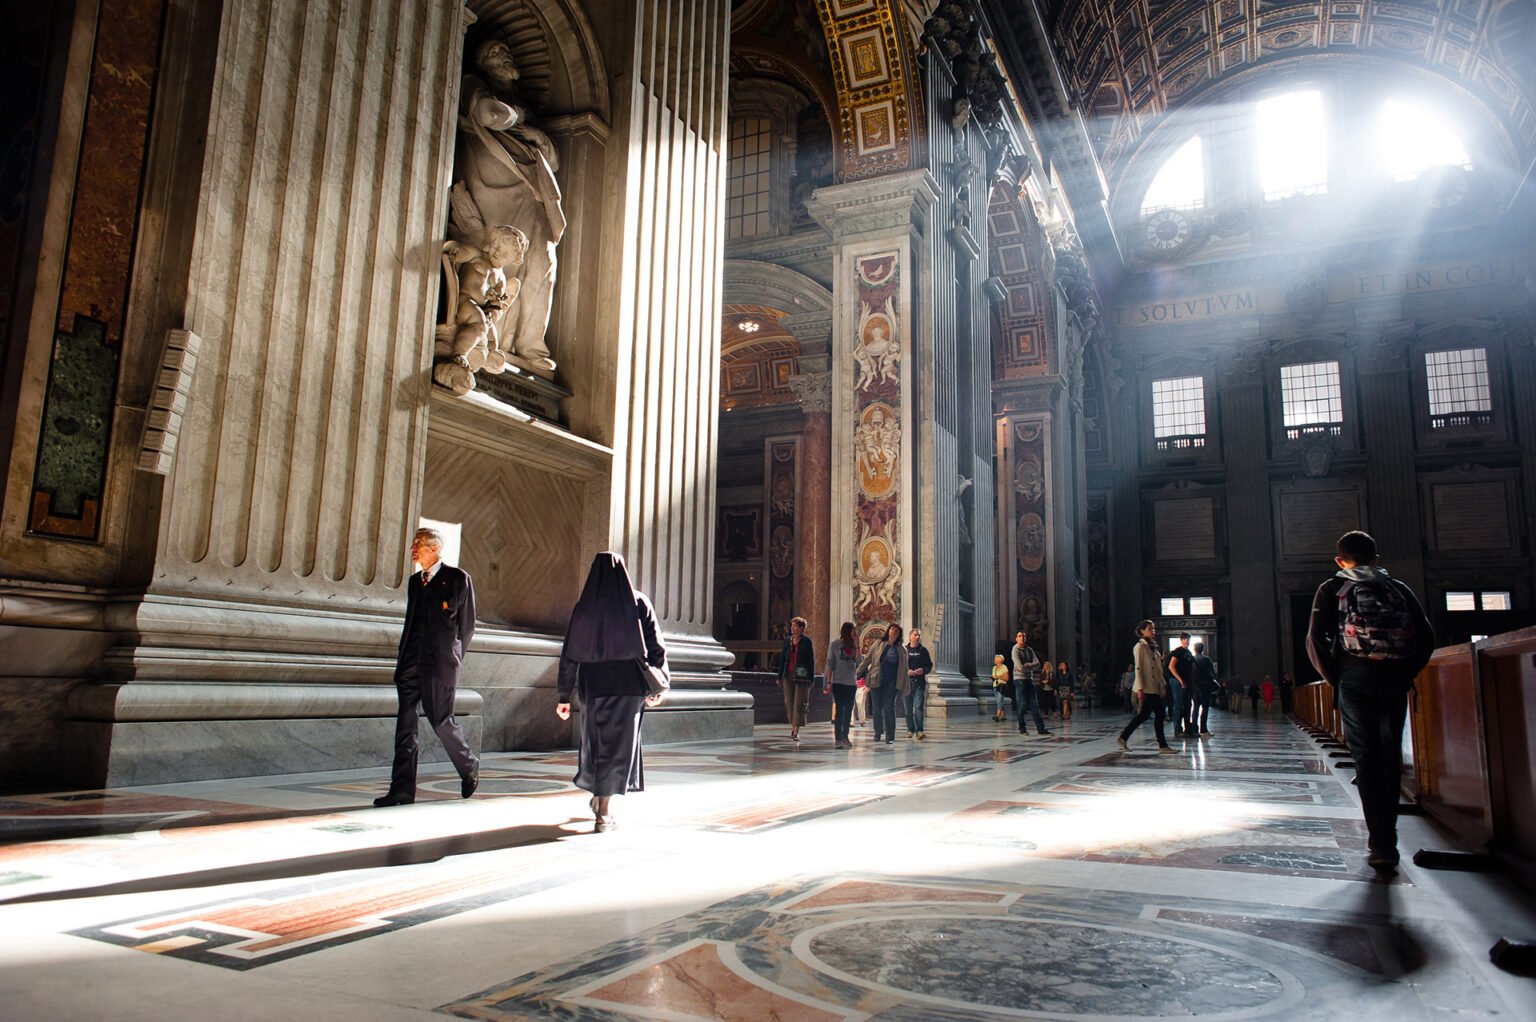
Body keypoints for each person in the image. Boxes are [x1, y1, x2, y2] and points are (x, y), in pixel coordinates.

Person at [1306, 529, 1434, 871]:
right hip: (1394, 679)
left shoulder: (1331, 588)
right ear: (1376, 559)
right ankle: (1387, 841)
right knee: (1389, 756)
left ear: (1339, 560)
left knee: (1365, 757)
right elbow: (1427, 636)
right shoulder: (1399, 588)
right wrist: (1406, 671)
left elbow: (1315, 639)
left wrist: (1337, 678)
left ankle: (1378, 842)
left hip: (1354, 678)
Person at [454, 40, 566, 371]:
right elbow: (487, 114)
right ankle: (491, 342)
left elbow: (553, 162)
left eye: (506, 51)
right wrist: (518, 119)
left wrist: (539, 136)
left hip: (533, 194)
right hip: (494, 191)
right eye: (493, 52)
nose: (503, 55)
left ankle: (531, 346)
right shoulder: (475, 86)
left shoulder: (523, 110)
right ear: (483, 64)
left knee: (541, 264)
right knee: (500, 265)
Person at [555, 552, 666, 832]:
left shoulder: (585, 607)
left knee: (594, 745)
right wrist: (660, 683)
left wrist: (564, 695)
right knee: (620, 748)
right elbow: (656, 648)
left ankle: (599, 801)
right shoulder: (639, 602)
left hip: (593, 687)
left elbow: (569, 654)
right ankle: (603, 811)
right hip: (629, 687)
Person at [375, 528, 480, 807]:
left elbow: (466, 627)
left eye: (418, 544)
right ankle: (401, 791)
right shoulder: (414, 582)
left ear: (434, 549)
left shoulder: (458, 579)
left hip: (439, 665)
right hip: (410, 663)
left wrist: (453, 658)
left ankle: (469, 765)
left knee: (441, 720)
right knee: (406, 728)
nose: (412, 548)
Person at [1118, 620, 1174, 753]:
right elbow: (1138, 668)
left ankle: (1123, 737)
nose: (1152, 630)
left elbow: (1158, 669)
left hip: (1153, 686)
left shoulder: (1152, 647)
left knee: (1143, 715)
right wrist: (1140, 689)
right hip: (1146, 687)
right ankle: (1162, 745)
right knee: (1160, 713)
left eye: (1153, 628)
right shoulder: (1140, 647)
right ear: (1142, 631)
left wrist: (1162, 686)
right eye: (1149, 628)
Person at [857, 623, 909, 746]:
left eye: (896, 630)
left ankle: (890, 735)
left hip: (892, 682)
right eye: (892, 629)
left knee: (889, 708)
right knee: (877, 708)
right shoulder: (878, 644)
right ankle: (878, 731)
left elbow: (904, 668)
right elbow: (867, 659)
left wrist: (905, 685)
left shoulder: (901, 650)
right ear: (888, 631)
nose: (894, 631)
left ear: (899, 634)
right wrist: (857, 673)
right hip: (876, 679)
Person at [776, 615, 815, 741]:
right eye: (792, 626)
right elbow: (782, 658)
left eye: (795, 626)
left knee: (800, 702)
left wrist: (811, 678)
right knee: (789, 701)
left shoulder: (807, 642)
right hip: (788, 673)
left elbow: (810, 661)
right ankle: (793, 726)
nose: (793, 628)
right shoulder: (787, 641)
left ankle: (796, 730)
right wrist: (779, 676)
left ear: (801, 628)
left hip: (802, 675)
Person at [824, 622, 861, 749]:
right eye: (853, 631)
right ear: (847, 631)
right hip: (838, 682)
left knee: (848, 711)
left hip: (851, 682)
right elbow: (830, 663)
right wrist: (828, 682)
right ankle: (838, 739)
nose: (855, 633)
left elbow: (858, 662)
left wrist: (857, 645)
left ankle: (845, 736)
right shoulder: (835, 644)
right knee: (840, 711)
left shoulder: (853, 645)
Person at [1011, 629, 1051, 736]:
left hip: (1029, 679)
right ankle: (1022, 728)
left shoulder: (1029, 650)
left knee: (1034, 705)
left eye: (1023, 636)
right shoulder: (1015, 649)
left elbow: (1038, 664)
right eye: (1019, 636)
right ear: (1016, 638)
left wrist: (1027, 666)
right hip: (1019, 680)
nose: (1022, 638)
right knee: (1022, 704)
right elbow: (1019, 667)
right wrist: (1030, 666)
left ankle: (1041, 729)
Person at [904, 627, 934, 739]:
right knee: (907, 708)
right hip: (907, 683)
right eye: (915, 635)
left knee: (918, 707)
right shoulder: (904, 650)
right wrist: (907, 672)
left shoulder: (923, 651)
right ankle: (910, 730)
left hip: (919, 683)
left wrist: (923, 670)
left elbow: (929, 665)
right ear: (910, 637)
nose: (918, 637)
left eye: (919, 635)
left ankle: (919, 730)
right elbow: (900, 666)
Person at [1167, 632, 1193, 738]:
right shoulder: (1178, 651)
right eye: (1185, 639)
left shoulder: (1188, 652)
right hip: (1177, 681)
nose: (1187, 641)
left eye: (1188, 639)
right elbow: (1171, 666)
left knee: (1187, 704)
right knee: (1178, 705)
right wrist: (1180, 680)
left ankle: (1188, 728)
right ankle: (1178, 730)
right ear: (1181, 640)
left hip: (1186, 681)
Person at [1191, 641, 1218, 737]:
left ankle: (1194, 729)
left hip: (1194, 687)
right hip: (1205, 687)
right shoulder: (1206, 659)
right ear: (1203, 649)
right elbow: (1212, 674)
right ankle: (1203, 729)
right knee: (1205, 708)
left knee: (1195, 708)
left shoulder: (1191, 660)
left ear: (1194, 649)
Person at [991, 654, 1011, 721]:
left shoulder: (1004, 667)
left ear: (999, 660)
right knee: (999, 701)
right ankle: (1003, 715)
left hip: (1002, 685)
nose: (994, 660)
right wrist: (1000, 676)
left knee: (999, 700)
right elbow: (993, 676)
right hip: (995, 685)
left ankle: (997, 715)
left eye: (995, 659)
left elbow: (1007, 678)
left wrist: (998, 677)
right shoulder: (994, 668)